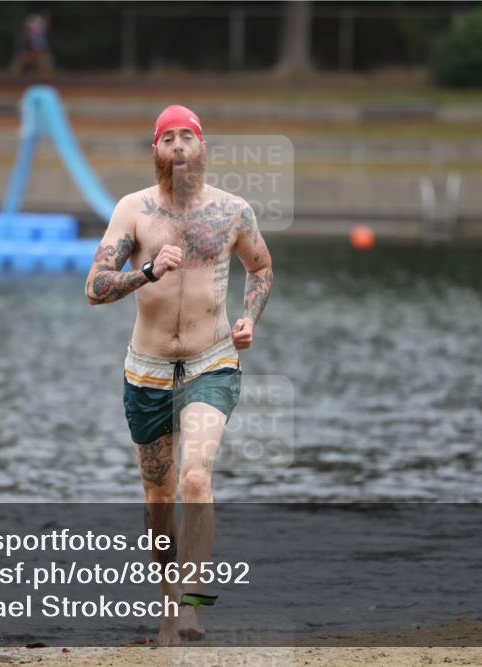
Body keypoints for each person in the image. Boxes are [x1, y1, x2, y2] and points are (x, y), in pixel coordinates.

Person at [84, 105, 273, 645]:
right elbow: (94, 286)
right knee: (159, 502)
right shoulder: (134, 211)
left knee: (196, 477)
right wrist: (145, 272)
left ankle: (191, 609)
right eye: (169, 138)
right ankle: (169, 610)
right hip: (146, 372)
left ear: (203, 146)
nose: (180, 145)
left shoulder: (234, 211)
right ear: (157, 152)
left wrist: (248, 317)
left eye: (188, 136)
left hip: (211, 361)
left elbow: (260, 267)